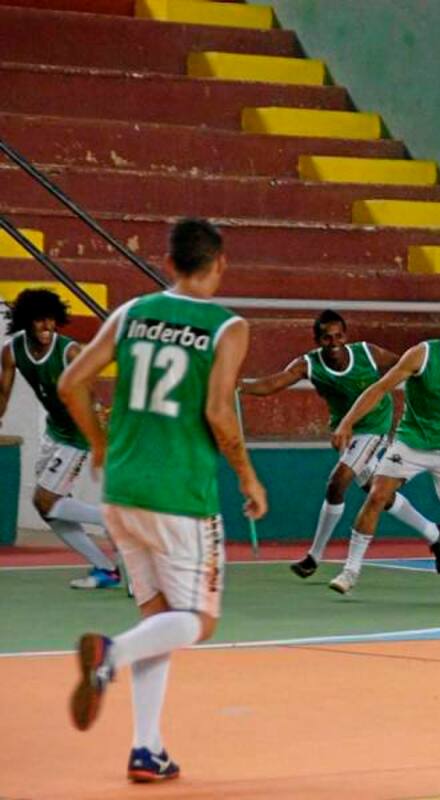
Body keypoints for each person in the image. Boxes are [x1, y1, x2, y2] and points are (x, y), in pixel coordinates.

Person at [59, 218, 267, 781]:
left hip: (122, 487)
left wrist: (100, 444)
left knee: (158, 616)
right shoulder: (228, 328)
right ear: (220, 263)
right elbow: (220, 413)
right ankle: (110, 654)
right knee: (198, 619)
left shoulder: (131, 313)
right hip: (181, 493)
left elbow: (71, 382)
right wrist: (248, 476)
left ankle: (146, 748)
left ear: (169, 263)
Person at [239, 309, 440, 578]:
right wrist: (240, 385)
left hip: (375, 426)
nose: (334, 342)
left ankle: (314, 557)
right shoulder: (308, 364)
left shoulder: (367, 353)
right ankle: (435, 533)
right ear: (318, 341)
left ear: (346, 336)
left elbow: (404, 367)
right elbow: (273, 383)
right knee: (379, 494)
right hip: (347, 433)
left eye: (339, 336)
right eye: (327, 338)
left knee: (337, 482)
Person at [328, 299, 440, 600]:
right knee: (377, 495)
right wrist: (347, 422)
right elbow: (380, 389)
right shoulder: (424, 354)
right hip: (412, 441)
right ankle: (350, 572)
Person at [0, 289, 121, 589]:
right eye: (39, 321)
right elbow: (3, 394)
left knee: (44, 500)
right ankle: (106, 569)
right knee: (49, 510)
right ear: (26, 322)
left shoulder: (69, 352)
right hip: (55, 432)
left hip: (78, 433)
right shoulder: (12, 352)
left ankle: (116, 520)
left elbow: (90, 395)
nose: (47, 327)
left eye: (51, 321)